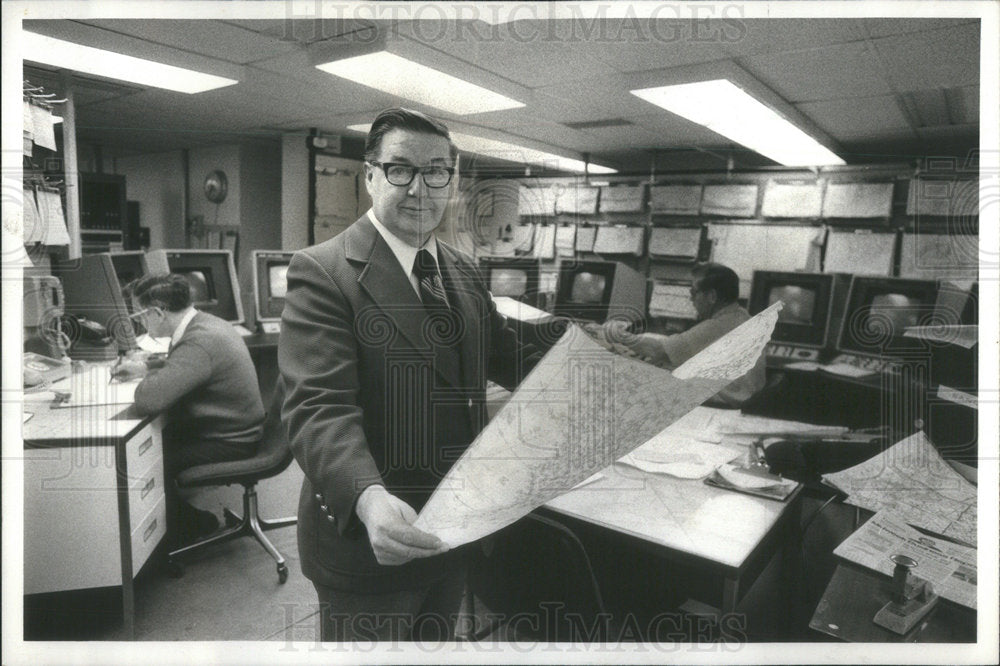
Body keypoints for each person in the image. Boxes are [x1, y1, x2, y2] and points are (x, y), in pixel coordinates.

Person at [278, 108, 540, 642]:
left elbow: (508, 353)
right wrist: (368, 497)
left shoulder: (461, 270)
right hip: (372, 538)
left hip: (452, 528)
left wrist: (600, 366)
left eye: (436, 171)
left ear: (453, 181)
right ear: (370, 176)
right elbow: (318, 408)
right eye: (400, 169)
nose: (420, 188)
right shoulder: (324, 270)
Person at [113, 273, 266, 544]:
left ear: (158, 312)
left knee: (147, 458)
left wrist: (146, 381)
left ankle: (190, 526)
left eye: (139, 315)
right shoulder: (205, 323)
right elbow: (188, 365)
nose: (139, 322)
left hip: (231, 440)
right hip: (238, 428)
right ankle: (181, 520)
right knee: (157, 441)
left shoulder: (198, 342)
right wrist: (146, 367)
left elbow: (148, 400)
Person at [591, 262, 767, 407]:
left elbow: (659, 351)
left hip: (727, 403)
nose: (691, 299)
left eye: (693, 292)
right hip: (745, 397)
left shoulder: (719, 325)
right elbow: (679, 345)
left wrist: (617, 335)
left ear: (712, 296)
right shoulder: (740, 315)